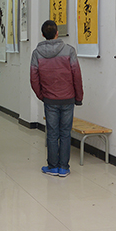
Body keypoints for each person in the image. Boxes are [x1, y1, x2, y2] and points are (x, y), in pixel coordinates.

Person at [30, 20, 84, 178]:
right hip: (68, 99)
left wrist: (42, 96)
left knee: (52, 134)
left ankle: (52, 167)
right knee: (65, 133)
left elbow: (33, 79)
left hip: (49, 99)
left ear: (42, 35)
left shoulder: (37, 53)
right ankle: (64, 168)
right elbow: (77, 76)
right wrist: (78, 97)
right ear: (57, 33)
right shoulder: (69, 51)